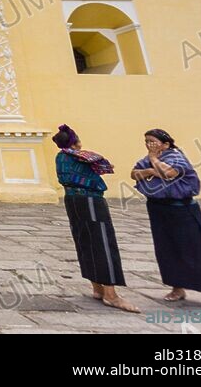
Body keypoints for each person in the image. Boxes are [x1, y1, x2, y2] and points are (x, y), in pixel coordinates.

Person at [131, 129, 201, 310]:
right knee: (167, 250)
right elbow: (134, 173)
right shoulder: (147, 159)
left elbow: (169, 173)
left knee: (197, 250)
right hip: (158, 208)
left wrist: (154, 162)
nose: (149, 144)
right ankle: (177, 288)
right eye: (147, 141)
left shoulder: (176, 157)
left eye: (153, 141)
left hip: (182, 209)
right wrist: (150, 169)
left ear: (166, 144)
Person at [53, 124, 139, 313]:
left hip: (72, 200)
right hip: (90, 200)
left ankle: (97, 288)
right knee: (102, 243)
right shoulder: (81, 156)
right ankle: (111, 294)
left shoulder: (61, 157)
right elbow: (106, 166)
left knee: (85, 241)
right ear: (75, 143)